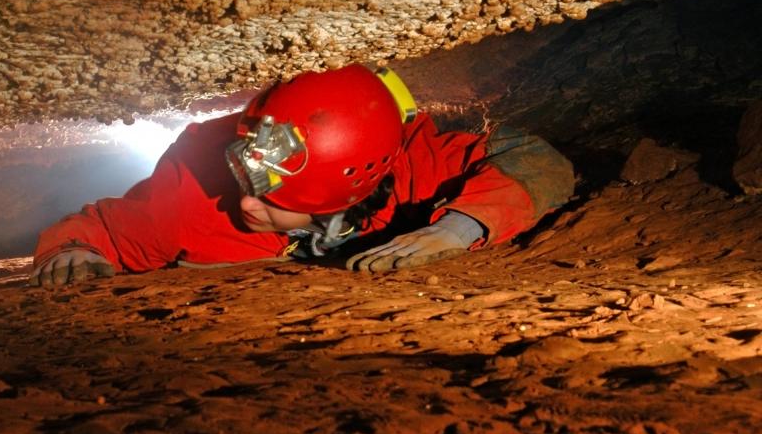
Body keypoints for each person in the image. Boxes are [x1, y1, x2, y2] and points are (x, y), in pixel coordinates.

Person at [29, 64, 574, 287]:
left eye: (271, 199)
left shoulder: (405, 159)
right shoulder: (191, 201)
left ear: (346, 194)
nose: (246, 205)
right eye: (244, 178)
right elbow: (102, 227)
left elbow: (533, 160)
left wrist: (459, 227)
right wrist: (71, 250)